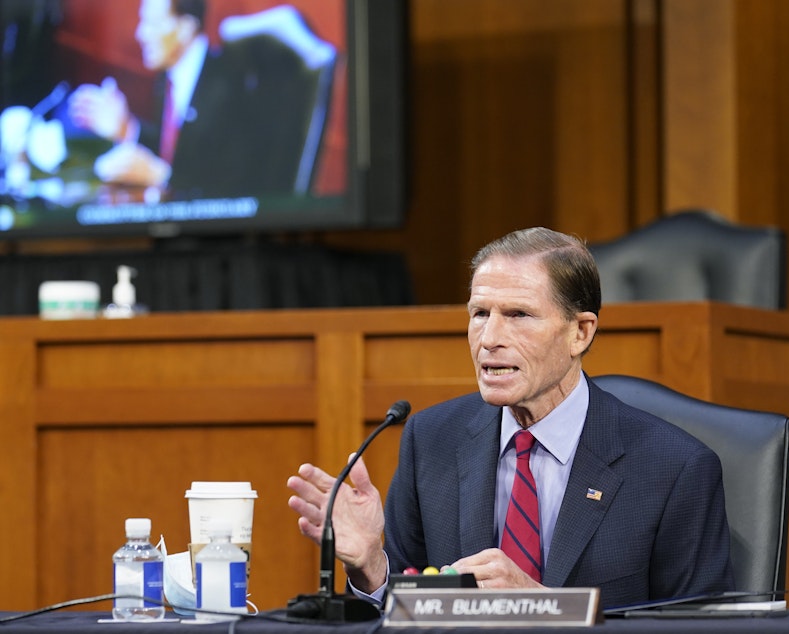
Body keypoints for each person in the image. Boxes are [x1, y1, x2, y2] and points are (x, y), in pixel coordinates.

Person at [287, 227, 735, 609]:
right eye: (480, 314)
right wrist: (371, 567)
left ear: (580, 332)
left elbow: (693, 627)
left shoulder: (674, 468)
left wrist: (540, 607)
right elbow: (407, 611)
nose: (490, 338)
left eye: (518, 315)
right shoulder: (431, 439)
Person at [68, 0, 319, 198]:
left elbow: (233, 190)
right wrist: (127, 128)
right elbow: (184, 153)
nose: (140, 33)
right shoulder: (170, 78)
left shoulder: (233, 87)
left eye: (152, 24)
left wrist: (161, 177)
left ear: (186, 28)